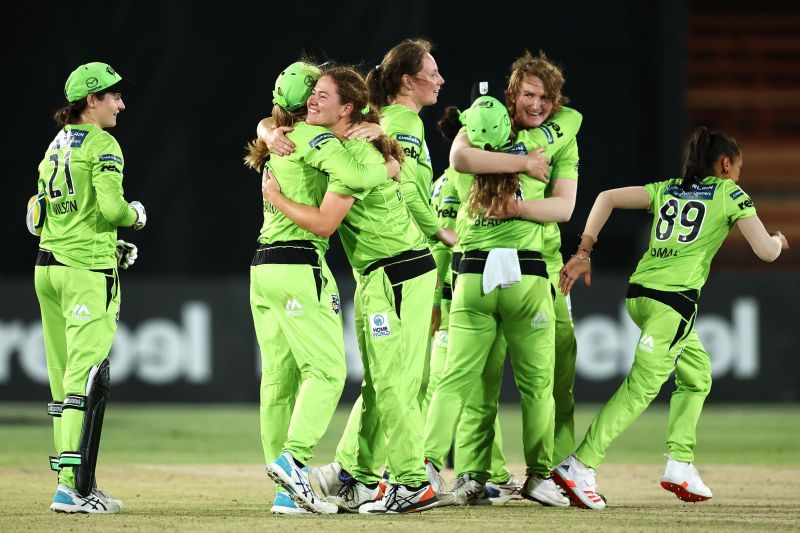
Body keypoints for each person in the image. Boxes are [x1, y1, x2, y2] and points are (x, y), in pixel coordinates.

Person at [553, 127, 789, 510]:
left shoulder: (670, 188)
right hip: (672, 304)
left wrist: (584, 250)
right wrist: (779, 240)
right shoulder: (730, 193)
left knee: (697, 375)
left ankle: (680, 463)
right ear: (726, 164)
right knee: (641, 388)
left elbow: (606, 198)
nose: (739, 174)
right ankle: (580, 465)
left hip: (640, 295)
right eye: (738, 167)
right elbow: (765, 252)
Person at [263, 65, 442, 514]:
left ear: (347, 108)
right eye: (313, 94)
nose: (312, 103)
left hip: (395, 274)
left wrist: (277, 199)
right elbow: (275, 122)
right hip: (386, 275)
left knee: (393, 384)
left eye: (323, 96)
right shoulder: (351, 144)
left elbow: (328, 219)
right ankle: (360, 477)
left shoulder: (354, 155)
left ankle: (412, 482)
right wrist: (268, 131)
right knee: (382, 383)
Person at [245, 61, 400, 515]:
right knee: (329, 372)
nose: (318, 99)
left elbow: (270, 126)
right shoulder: (315, 139)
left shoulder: (277, 137)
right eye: (315, 91)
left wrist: (269, 129)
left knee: (278, 379)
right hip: (299, 264)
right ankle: (294, 464)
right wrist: (389, 162)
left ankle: (284, 490)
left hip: (263, 266)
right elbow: (356, 178)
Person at [421, 90, 583, 508]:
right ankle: (540, 476)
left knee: (460, 381)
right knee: (537, 387)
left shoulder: (460, 165)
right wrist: (526, 168)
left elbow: (461, 153)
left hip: (471, 275)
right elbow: (573, 123)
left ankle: (427, 469)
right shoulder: (537, 156)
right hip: (525, 276)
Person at [33, 62, 146, 514]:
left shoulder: (56, 143)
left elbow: (45, 213)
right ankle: (73, 490)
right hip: (83, 273)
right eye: (113, 96)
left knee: (63, 380)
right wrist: (135, 217)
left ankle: (70, 480)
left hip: (48, 267)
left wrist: (106, 241)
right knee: (86, 377)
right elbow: (113, 206)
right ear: (91, 100)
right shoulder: (102, 143)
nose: (120, 104)